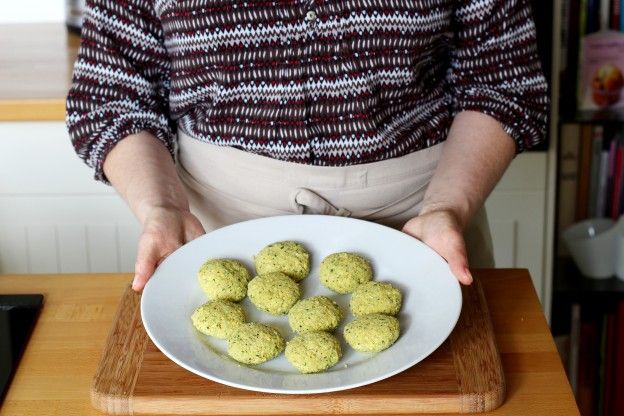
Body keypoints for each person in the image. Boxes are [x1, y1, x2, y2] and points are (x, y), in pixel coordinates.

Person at [67, 0, 549, 292]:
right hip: (212, 231)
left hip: (427, 227)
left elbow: (500, 80)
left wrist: (448, 207)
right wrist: (161, 206)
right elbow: (113, 94)